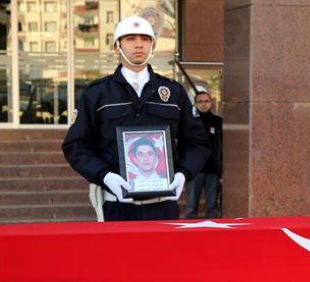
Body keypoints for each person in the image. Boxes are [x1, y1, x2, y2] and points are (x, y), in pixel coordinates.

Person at [62, 16, 210, 221]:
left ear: (153, 46)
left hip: (164, 206)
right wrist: (104, 175)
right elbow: (76, 146)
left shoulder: (173, 93)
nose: (139, 44)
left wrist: (183, 173)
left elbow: (197, 142)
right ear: (117, 47)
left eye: (145, 39)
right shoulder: (97, 94)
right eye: (130, 38)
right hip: (116, 206)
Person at [184, 90, 223, 219]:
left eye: (206, 101)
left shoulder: (218, 122)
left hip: (213, 170)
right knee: (191, 206)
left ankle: (213, 235)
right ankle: (188, 235)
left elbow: (222, 146)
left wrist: (221, 169)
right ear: (195, 104)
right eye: (200, 101)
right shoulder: (189, 122)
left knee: (212, 206)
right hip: (195, 170)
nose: (204, 104)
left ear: (210, 103)